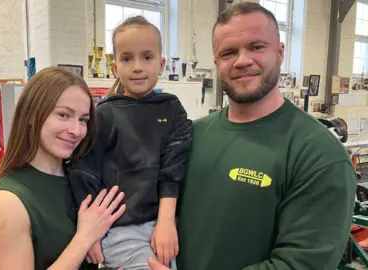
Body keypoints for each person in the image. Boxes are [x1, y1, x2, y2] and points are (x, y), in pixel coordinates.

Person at [149, 3, 356, 270]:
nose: (242, 60)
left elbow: (299, 265)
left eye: (257, 47)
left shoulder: (318, 154)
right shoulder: (191, 135)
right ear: (216, 62)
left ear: (280, 53)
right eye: (228, 52)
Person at [68, 16, 192, 270]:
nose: (137, 67)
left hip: (164, 225)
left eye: (147, 57)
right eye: (127, 58)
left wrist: (166, 223)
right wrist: (88, 235)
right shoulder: (104, 114)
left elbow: (173, 170)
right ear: (115, 67)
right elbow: (83, 173)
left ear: (162, 63)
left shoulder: (172, 109)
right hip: (120, 229)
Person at [0, 67, 126, 270]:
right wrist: (84, 238)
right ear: (32, 115)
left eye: (83, 120)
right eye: (64, 115)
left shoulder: (82, 179)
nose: (76, 130)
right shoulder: (5, 202)